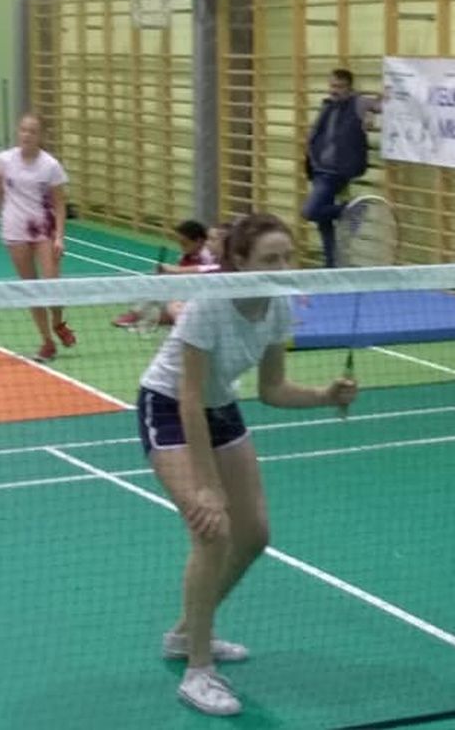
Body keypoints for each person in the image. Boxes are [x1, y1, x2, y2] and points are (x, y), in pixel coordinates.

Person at [137, 212, 358, 716]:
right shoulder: (209, 305)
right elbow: (189, 399)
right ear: (239, 260)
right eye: (269, 259)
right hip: (170, 406)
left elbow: (272, 389)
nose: (281, 267)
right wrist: (207, 486)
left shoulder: (278, 304)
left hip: (221, 407)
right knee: (211, 530)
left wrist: (326, 395)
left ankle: (185, 633)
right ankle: (197, 671)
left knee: (254, 534)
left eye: (287, 257)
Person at [0, 113, 75, 362]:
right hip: (15, 231)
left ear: (40, 135)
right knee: (31, 289)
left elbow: (59, 203)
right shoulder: (3, 161)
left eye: (32, 131)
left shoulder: (50, 165)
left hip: (44, 230)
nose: (26, 135)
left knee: (52, 284)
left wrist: (60, 237)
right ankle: (47, 342)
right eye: (23, 130)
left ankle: (58, 322)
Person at [301, 68, 380, 267]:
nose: (334, 90)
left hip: (335, 172)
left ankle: (353, 209)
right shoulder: (328, 105)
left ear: (349, 88)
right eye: (332, 86)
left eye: (340, 86)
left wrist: (371, 114)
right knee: (324, 225)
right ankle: (331, 266)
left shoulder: (357, 103)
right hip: (319, 169)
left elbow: (380, 105)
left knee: (310, 211)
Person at [113, 220, 227, 330]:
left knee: (165, 305)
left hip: (198, 299)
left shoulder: (208, 257)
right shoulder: (186, 255)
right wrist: (167, 274)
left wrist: (175, 270)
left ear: (198, 241)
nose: (181, 246)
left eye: (184, 243)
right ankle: (137, 315)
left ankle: (138, 317)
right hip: (184, 295)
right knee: (155, 294)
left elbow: (204, 269)